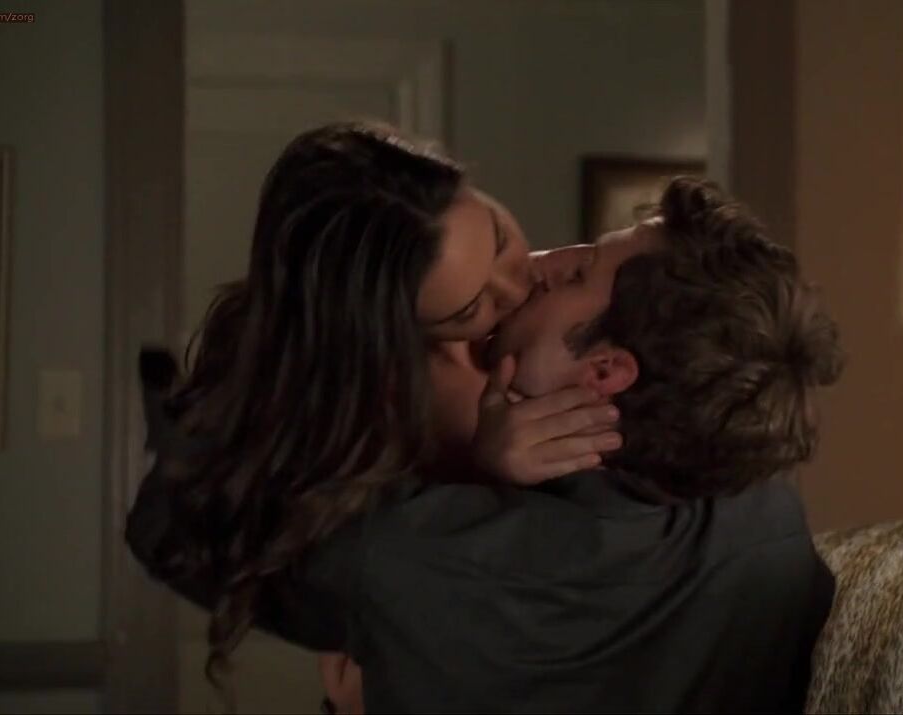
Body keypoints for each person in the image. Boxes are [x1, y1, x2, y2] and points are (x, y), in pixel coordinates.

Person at [133, 176, 844, 712]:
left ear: (604, 372)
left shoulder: (407, 556)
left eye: (577, 273)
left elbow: (169, 528)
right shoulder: (774, 527)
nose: (541, 263)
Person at [125, 118, 624, 700]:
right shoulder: (363, 409)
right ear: (385, 321)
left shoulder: (563, 296)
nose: (516, 288)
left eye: (498, 239)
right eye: (469, 309)